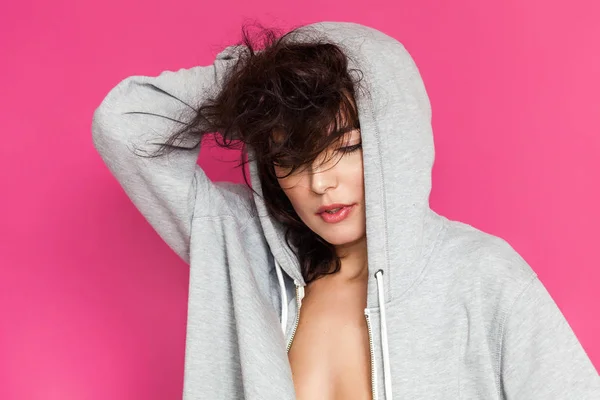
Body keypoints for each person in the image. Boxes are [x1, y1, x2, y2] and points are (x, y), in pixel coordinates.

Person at [91, 20, 599, 400]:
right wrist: (257, 75)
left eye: (347, 147)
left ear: (394, 138)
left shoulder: (481, 274)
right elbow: (124, 126)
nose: (320, 182)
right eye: (292, 158)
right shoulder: (245, 256)